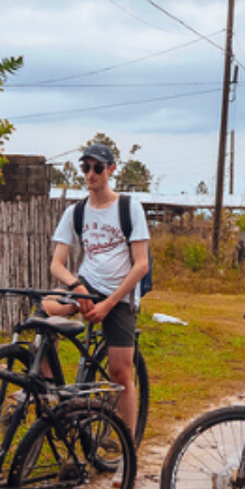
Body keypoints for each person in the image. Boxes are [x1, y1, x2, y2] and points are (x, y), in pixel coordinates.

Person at [48, 142, 151, 444]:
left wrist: (108, 304)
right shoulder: (75, 211)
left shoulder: (128, 207)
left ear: (110, 170)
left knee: (120, 374)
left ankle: (128, 447)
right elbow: (57, 263)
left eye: (97, 168)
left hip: (119, 293)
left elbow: (141, 265)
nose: (90, 174)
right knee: (45, 308)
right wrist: (75, 286)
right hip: (87, 286)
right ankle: (48, 389)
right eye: (85, 168)